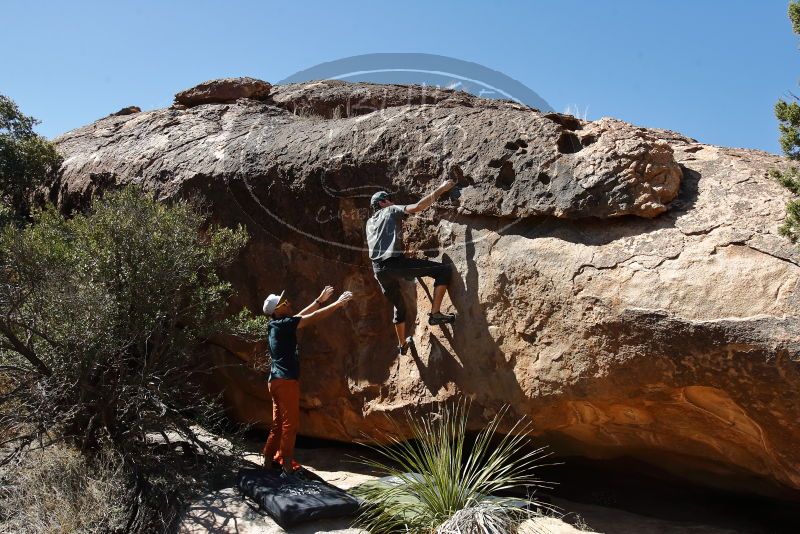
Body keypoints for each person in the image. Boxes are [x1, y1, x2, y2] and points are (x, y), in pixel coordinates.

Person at [261, 285, 353, 477]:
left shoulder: (276, 325)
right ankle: (286, 467)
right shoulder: (283, 324)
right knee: (290, 424)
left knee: (278, 424)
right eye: (283, 302)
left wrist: (320, 300)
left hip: (275, 381)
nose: (287, 303)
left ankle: (267, 462)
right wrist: (337, 304)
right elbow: (311, 318)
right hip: (286, 381)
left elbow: (301, 315)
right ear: (277, 310)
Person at [366, 179, 458, 355]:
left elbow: (384, 240)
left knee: (399, 306)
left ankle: (402, 345)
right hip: (394, 264)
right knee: (443, 270)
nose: (392, 201)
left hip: (378, 270)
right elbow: (417, 207)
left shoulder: (369, 222)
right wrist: (442, 188)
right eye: (389, 198)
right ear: (382, 202)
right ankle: (435, 314)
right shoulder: (390, 210)